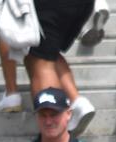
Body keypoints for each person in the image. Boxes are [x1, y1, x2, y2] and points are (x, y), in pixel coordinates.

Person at [24, 0, 96, 135]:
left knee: (41, 62)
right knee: (46, 51)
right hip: (81, 5)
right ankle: (77, 102)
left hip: (48, 5)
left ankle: (54, 136)